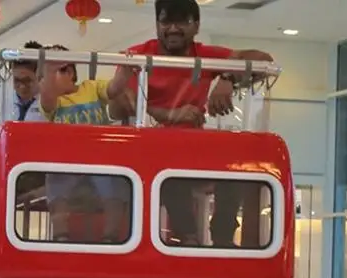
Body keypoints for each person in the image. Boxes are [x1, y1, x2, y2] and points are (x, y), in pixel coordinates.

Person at [109, 0, 273, 246]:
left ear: (196, 26)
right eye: (166, 21)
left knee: (237, 158)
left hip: (193, 147)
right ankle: (187, 236)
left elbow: (264, 60)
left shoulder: (204, 55)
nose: (173, 28)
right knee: (168, 168)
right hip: (151, 150)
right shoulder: (139, 54)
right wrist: (171, 115)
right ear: (157, 25)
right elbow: (119, 105)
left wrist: (228, 76)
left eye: (182, 21)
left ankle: (222, 234)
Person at [38, 44, 133, 243]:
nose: (47, 82)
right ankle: (61, 235)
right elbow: (46, 99)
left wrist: (125, 69)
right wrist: (49, 69)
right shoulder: (55, 103)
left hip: (99, 159)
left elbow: (114, 88)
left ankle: (111, 235)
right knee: (56, 186)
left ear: (70, 72)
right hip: (66, 162)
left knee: (115, 186)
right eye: (44, 76)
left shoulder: (91, 87)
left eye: (56, 72)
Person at [12, 41, 47, 122]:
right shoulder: (1, 101)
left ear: (41, 75)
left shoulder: (51, 103)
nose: (22, 86)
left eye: (27, 80)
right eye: (17, 80)